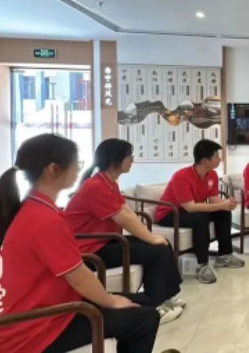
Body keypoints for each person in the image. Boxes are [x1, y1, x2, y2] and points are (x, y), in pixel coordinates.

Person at [0, 133, 160, 353]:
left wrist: (110, 300)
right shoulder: (44, 219)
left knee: (144, 302)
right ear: (53, 169)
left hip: (52, 309)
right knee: (145, 318)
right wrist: (110, 301)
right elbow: (78, 278)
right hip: (37, 330)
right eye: (76, 163)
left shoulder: (36, 208)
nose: (78, 169)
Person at [64, 139, 185, 324]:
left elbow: (127, 211)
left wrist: (151, 237)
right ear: (115, 159)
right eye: (129, 155)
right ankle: (155, 306)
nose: (132, 160)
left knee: (162, 244)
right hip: (88, 251)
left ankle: (165, 297)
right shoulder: (95, 186)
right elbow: (123, 219)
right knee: (157, 250)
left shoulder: (109, 182)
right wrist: (150, 238)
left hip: (104, 242)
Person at [154, 139, 244, 284]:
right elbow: (190, 207)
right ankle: (202, 265)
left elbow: (213, 198)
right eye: (216, 156)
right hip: (169, 214)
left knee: (223, 212)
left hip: (189, 211)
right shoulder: (181, 176)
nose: (219, 159)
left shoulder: (212, 174)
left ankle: (224, 255)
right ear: (204, 160)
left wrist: (226, 203)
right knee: (200, 219)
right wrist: (221, 205)